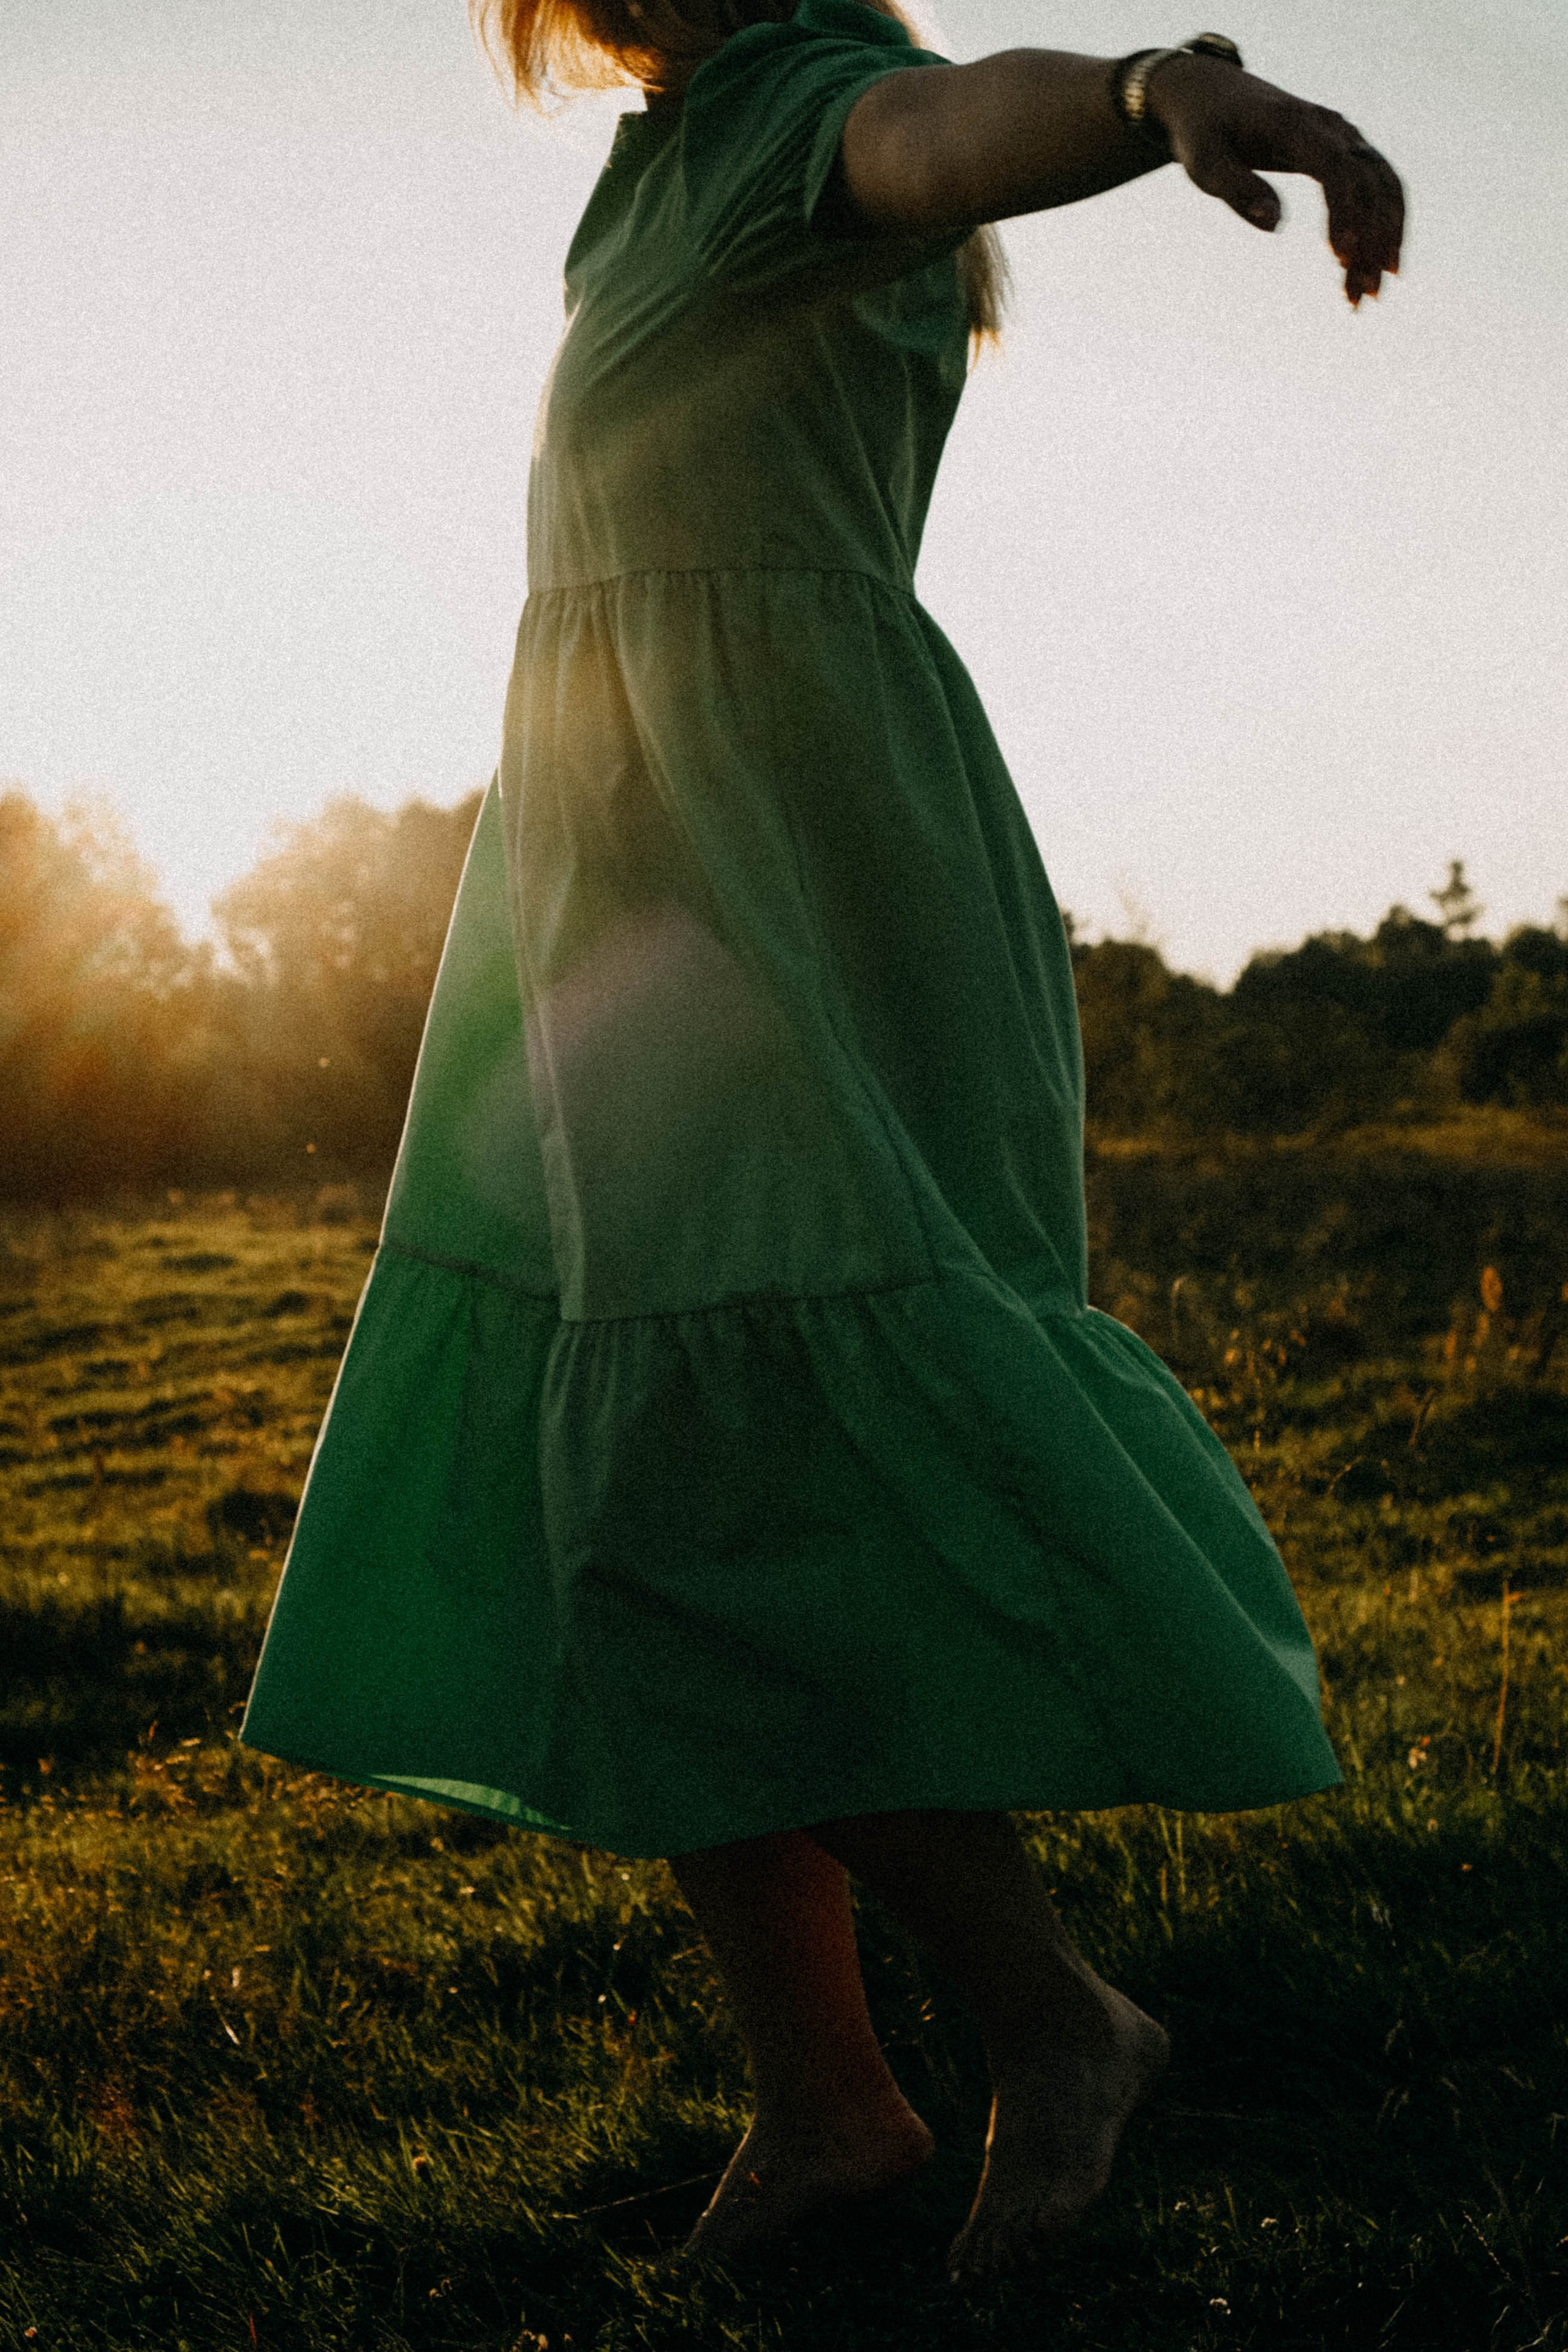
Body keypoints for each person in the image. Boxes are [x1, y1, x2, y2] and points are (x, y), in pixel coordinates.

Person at [240, 0, 1403, 2281]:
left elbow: (930, 134)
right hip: (619, 846)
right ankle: (828, 2106)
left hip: (765, 848)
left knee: (706, 1461)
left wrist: (1159, 94)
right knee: (630, 1446)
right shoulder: (659, 157)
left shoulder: (793, 105)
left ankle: (1054, 2023)